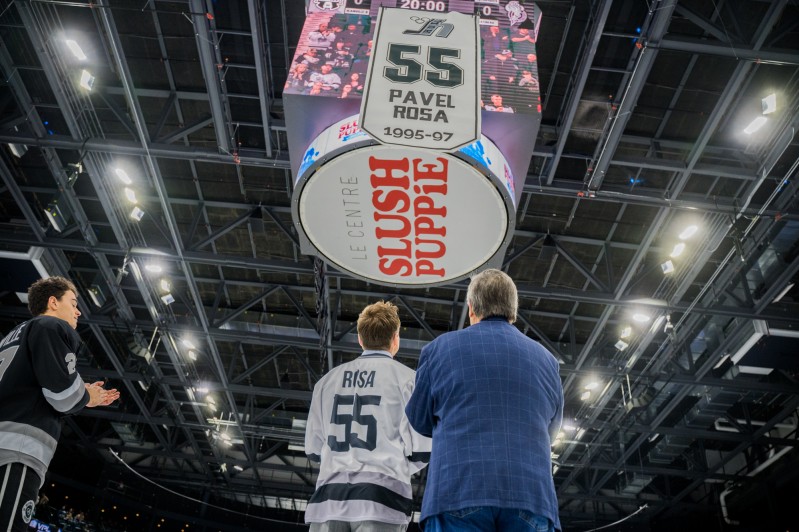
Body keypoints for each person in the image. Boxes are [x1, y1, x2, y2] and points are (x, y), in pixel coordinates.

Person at [406, 269, 563, 532]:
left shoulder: (439, 350)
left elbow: (420, 420)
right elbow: (551, 431)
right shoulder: (547, 361)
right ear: (513, 311)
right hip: (531, 497)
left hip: (458, 491)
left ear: (471, 309)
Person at [0, 276, 120, 531]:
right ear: (53, 302)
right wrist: (88, 396)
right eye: (74, 303)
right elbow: (63, 397)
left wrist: (80, 391)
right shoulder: (53, 327)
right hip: (15, 450)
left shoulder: (13, 335)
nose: (78, 311)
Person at [305, 301, 432, 531]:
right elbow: (423, 450)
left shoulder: (326, 383)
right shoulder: (409, 381)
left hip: (329, 499)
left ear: (360, 339)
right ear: (396, 339)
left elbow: (314, 450)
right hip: (382, 498)